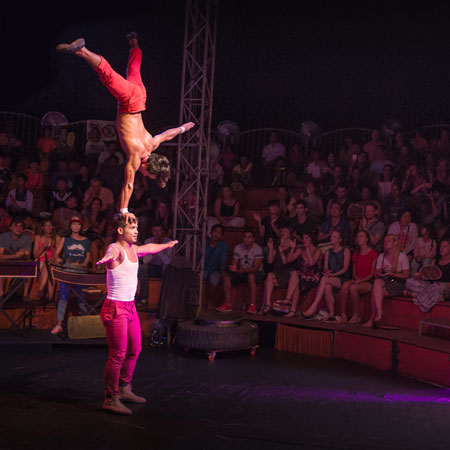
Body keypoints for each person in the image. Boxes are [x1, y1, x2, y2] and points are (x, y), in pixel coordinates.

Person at [56, 33, 194, 217]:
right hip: (129, 101)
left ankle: (134, 42)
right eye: (148, 175)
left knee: (134, 69)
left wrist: (184, 128)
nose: (144, 176)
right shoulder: (136, 158)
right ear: (148, 167)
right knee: (108, 75)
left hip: (141, 98)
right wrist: (124, 211)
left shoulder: (151, 145)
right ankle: (82, 50)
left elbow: (167, 135)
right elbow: (128, 185)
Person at [96, 213, 177, 415]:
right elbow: (112, 252)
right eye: (133, 228)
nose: (137, 231)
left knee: (136, 348)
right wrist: (108, 257)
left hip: (130, 308)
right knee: (118, 355)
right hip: (115, 308)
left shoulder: (133, 250)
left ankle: (124, 389)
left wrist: (166, 246)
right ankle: (110, 398)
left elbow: (149, 248)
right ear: (121, 231)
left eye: (137, 227)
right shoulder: (116, 249)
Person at [51, 216, 91, 335]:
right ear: (70, 226)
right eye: (73, 224)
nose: (76, 226)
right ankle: (59, 324)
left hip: (79, 270)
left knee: (81, 296)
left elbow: (88, 255)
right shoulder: (65, 239)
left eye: (78, 224)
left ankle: (84, 322)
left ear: (81, 226)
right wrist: (57, 259)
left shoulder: (86, 240)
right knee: (63, 295)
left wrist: (85, 263)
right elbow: (56, 254)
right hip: (67, 269)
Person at [269, 231, 322, 318]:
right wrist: (293, 248)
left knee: (295, 278)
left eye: (306, 238)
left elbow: (312, 263)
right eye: (303, 238)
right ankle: (290, 305)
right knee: (294, 274)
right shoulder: (301, 250)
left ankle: (290, 306)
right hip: (302, 276)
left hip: (313, 278)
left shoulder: (317, 251)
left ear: (311, 240)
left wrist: (307, 249)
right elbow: (289, 260)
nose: (304, 240)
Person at [362, 234, 410, 328]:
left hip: (398, 283)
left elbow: (406, 275)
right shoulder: (381, 256)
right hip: (385, 281)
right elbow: (376, 274)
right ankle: (379, 312)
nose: (385, 243)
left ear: (394, 242)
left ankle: (372, 319)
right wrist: (382, 271)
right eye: (384, 241)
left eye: (388, 241)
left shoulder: (402, 256)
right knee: (376, 283)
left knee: (374, 292)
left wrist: (392, 273)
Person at [302, 230, 351, 321]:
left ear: (340, 239)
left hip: (342, 278)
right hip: (330, 277)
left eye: (335, 236)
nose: (332, 238)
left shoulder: (345, 251)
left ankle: (314, 306)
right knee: (327, 286)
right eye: (332, 236)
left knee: (325, 279)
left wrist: (333, 274)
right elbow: (325, 268)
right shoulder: (328, 252)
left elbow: (345, 268)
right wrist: (327, 272)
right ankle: (331, 313)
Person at [216, 228, 264, 314]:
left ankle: (252, 306)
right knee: (226, 275)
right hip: (242, 271)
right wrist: (233, 267)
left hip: (256, 273)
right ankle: (227, 304)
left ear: (253, 239)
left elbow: (255, 268)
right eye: (245, 237)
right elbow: (234, 263)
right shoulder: (238, 247)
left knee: (251, 275)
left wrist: (244, 270)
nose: (247, 239)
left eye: (249, 237)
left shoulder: (258, 249)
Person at [338, 230, 378, 323]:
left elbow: (372, 274)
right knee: (344, 286)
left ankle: (356, 315)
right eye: (358, 236)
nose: (359, 238)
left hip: (368, 281)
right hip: (357, 279)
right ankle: (343, 314)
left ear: (367, 239)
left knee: (353, 288)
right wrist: (357, 279)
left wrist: (360, 281)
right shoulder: (356, 253)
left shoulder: (373, 253)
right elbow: (354, 272)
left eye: (361, 236)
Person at [405, 238, 450, 312]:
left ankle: (418, 297)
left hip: (444, 288)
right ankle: (424, 296)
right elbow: (427, 275)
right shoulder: (435, 261)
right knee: (410, 281)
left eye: (444, 246)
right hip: (431, 287)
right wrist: (420, 276)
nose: (441, 249)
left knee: (437, 287)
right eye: (441, 246)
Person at [260, 228, 296, 314]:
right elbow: (270, 261)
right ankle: (268, 304)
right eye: (282, 231)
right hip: (277, 272)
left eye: (286, 231)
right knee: (269, 276)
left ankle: (287, 301)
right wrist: (271, 248)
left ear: (289, 235)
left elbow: (285, 262)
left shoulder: (292, 246)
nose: (283, 232)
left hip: (288, 274)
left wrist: (280, 249)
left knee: (293, 274)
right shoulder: (277, 246)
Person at [137, 224, 174, 306]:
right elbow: (145, 260)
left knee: (166, 267)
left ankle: (165, 298)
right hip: (153, 267)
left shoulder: (169, 242)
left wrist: (157, 248)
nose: (157, 233)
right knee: (143, 267)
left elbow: (167, 261)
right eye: (154, 231)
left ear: (163, 231)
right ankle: (144, 297)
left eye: (159, 231)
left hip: (163, 268)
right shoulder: (148, 241)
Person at [0, 218, 32, 300]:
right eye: (15, 226)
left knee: (30, 266)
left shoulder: (26, 238)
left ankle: (25, 295)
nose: (18, 229)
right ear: (11, 227)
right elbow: (0, 255)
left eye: (21, 227)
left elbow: (28, 256)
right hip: (7, 262)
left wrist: (23, 254)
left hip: (21, 263)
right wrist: (15, 256)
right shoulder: (4, 237)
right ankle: (1, 294)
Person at [32, 219, 61, 301]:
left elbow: (57, 256)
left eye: (50, 225)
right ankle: (49, 296)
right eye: (46, 225)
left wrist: (54, 247)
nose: (48, 227)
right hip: (40, 262)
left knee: (50, 267)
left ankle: (43, 291)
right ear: (42, 227)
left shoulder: (57, 237)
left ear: (53, 227)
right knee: (48, 266)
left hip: (53, 262)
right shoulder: (38, 237)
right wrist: (43, 247)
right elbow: (35, 255)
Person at [203, 224, 228, 299]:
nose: (216, 234)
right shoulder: (204, 243)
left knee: (215, 280)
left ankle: (208, 301)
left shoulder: (223, 245)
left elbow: (222, 260)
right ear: (211, 232)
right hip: (202, 268)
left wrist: (222, 271)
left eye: (219, 233)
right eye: (215, 232)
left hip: (215, 270)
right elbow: (198, 257)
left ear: (221, 236)